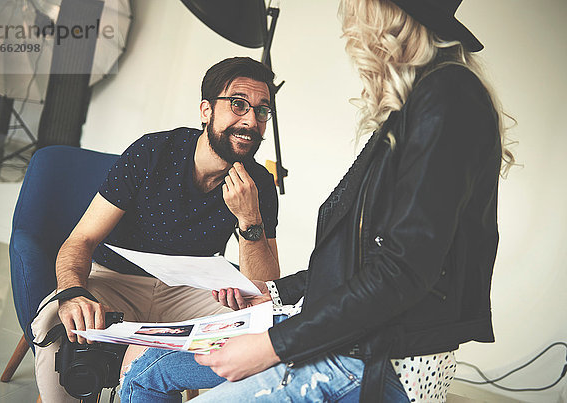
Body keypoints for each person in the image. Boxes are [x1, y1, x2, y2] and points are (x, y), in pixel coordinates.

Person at [119, 0, 516, 401]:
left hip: (375, 356)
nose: (350, 31)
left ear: (384, 17)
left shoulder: (449, 96)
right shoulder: (417, 106)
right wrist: (273, 295)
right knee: (145, 372)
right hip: (340, 332)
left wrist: (269, 347)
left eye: (357, 14)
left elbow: (403, 270)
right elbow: (360, 263)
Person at [31, 56, 281, 403]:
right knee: (55, 323)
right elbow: (81, 239)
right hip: (116, 279)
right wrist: (72, 291)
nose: (251, 120)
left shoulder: (259, 184)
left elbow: (264, 292)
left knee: (264, 327)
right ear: (206, 110)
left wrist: (249, 220)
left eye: (262, 110)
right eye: (238, 104)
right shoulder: (153, 152)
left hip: (191, 289)